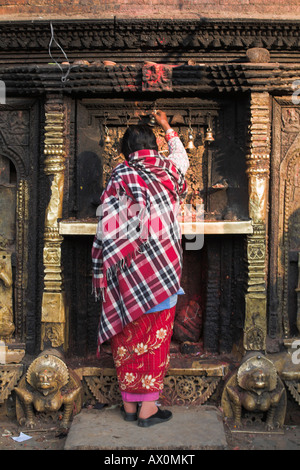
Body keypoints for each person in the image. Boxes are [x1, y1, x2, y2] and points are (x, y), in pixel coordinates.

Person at [92, 110, 189, 427]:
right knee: (156, 336)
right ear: (155, 147)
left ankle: (130, 405)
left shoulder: (120, 174)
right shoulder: (170, 171)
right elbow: (181, 157)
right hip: (162, 267)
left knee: (127, 335)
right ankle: (148, 408)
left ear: (125, 151)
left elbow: (107, 224)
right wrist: (167, 127)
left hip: (126, 273)